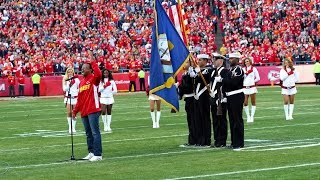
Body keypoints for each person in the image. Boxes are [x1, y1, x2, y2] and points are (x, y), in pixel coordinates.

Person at [72, 54, 103, 162]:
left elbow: (99, 73)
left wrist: (93, 62)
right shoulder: (81, 83)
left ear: (90, 70)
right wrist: (75, 111)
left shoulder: (94, 79)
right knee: (88, 134)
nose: (82, 69)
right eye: (82, 68)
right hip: (84, 111)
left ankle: (98, 154)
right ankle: (91, 152)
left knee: (95, 132)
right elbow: (79, 99)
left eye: (85, 68)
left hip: (93, 109)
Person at [219, 52, 244, 151]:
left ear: (237, 60)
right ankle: (234, 142)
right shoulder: (230, 70)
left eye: (232, 58)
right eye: (230, 58)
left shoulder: (238, 70)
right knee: (232, 120)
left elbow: (234, 82)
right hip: (230, 96)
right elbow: (227, 84)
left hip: (237, 95)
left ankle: (239, 142)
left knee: (237, 120)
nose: (230, 60)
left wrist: (222, 80)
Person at [190, 54, 214, 147]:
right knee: (198, 118)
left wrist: (198, 72)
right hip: (197, 97)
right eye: (198, 60)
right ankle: (200, 139)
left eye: (200, 60)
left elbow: (203, 79)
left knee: (205, 118)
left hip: (204, 96)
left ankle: (206, 139)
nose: (198, 62)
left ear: (205, 61)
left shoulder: (208, 70)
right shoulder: (198, 71)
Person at [210, 53, 228, 148]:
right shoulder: (213, 71)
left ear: (221, 61)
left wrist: (221, 97)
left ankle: (222, 140)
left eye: (216, 59)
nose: (214, 61)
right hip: (213, 98)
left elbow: (225, 84)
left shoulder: (224, 71)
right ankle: (217, 140)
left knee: (222, 121)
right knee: (215, 120)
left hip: (221, 100)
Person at [178, 61, 196, 147]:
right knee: (190, 120)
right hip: (187, 98)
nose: (184, 64)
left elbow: (189, 87)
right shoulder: (185, 73)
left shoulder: (192, 73)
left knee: (193, 120)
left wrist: (180, 87)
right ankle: (191, 140)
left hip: (192, 98)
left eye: (186, 63)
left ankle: (194, 139)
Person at [62, 68, 80, 134]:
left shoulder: (77, 79)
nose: (70, 73)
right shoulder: (65, 79)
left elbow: (79, 88)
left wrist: (76, 93)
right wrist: (69, 85)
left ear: (73, 72)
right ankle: (70, 127)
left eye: (71, 72)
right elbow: (64, 89)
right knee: (69, 112)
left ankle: (74, 128)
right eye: (68, 72)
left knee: (74, 113)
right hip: (68, 98)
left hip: (75, 98)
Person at [242, 57, 260, 123]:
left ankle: (252, 116)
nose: (247, 62)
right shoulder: (243, 69)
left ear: (250, 62)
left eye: (248, 61)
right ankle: (248, 116)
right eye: (245, 61)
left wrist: (253, 82)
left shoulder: (254, 69)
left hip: (252, 87)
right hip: (245, 88)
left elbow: (258, 78)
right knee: (245, 102)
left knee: (253, 102)